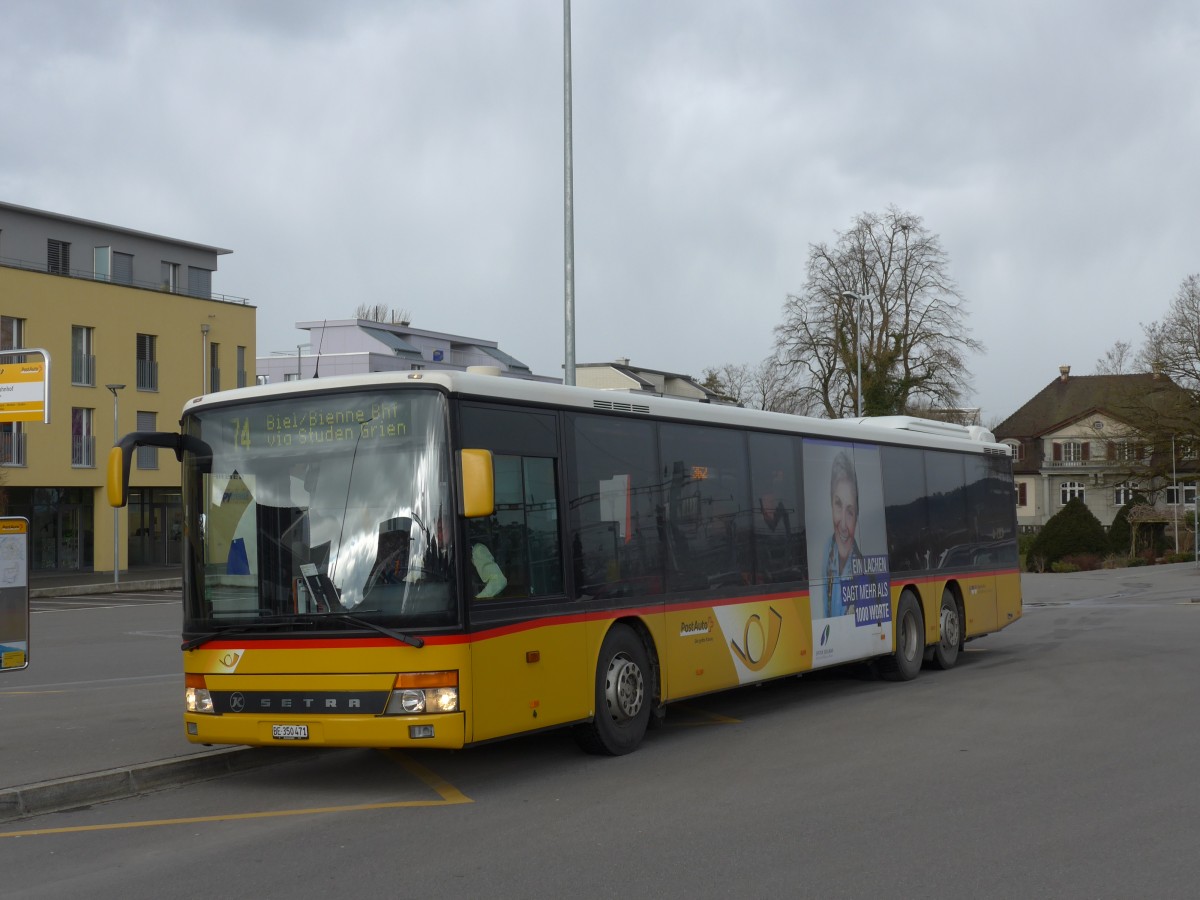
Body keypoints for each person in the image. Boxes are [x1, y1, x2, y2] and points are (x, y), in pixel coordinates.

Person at [820, 449, 862, 617]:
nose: (843, 524)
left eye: (850, 512)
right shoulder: (827, 552)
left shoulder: (863, 571)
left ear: (857, 516)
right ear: (831, 504)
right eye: (838, 504)